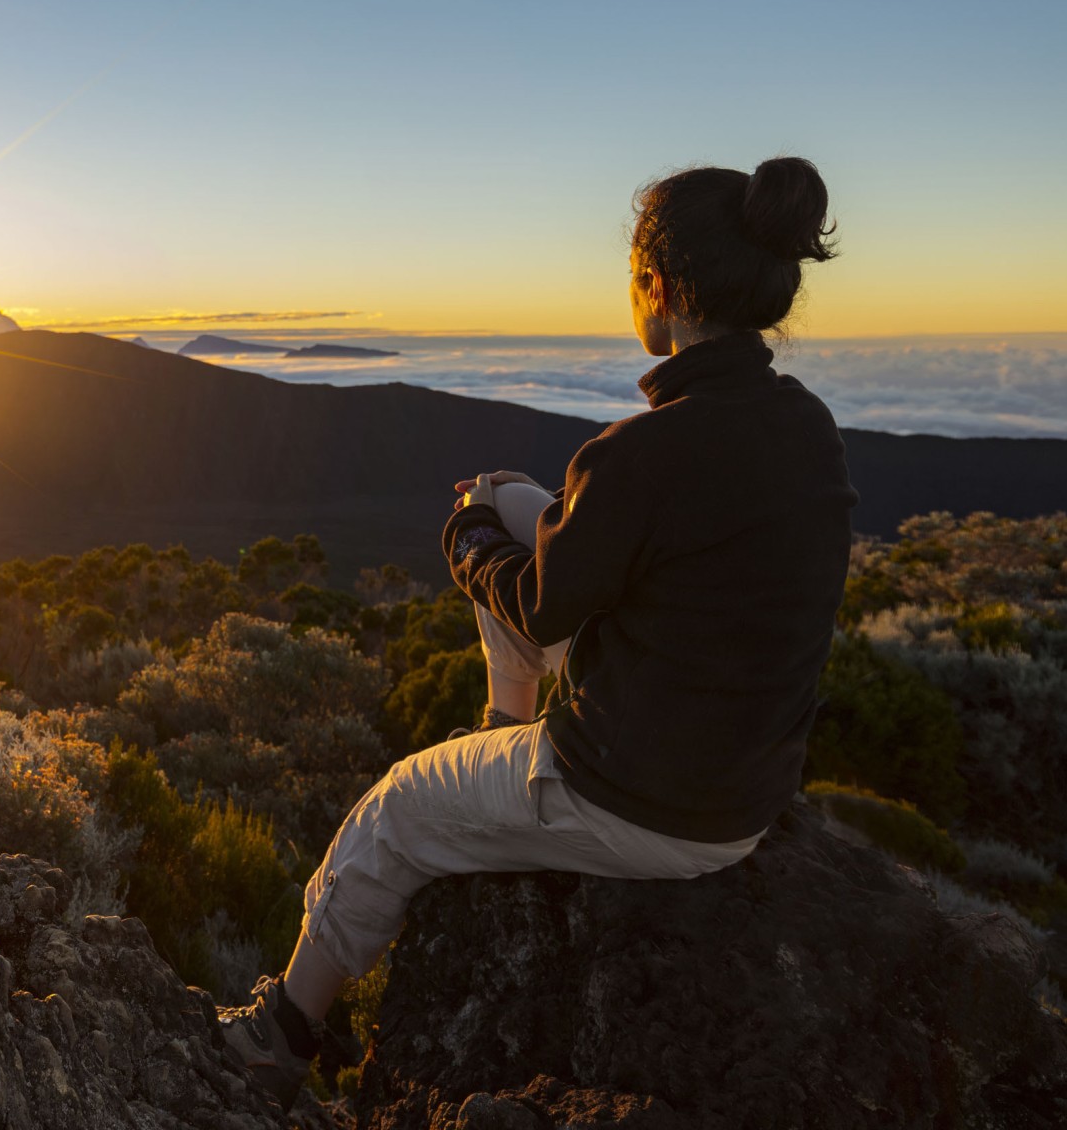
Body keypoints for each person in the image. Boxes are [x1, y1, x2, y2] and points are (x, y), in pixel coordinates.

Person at [217, 156, 858, 1106]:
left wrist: (470, 535)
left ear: (660, 288)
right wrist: (511, 506)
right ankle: (498, 734)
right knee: (525, 502)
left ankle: (282, 1034)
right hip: (738, 781)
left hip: (636, 797)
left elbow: (540, 605)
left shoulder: (642, 452)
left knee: (393, 811)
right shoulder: (806, 426)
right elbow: (642, 551)